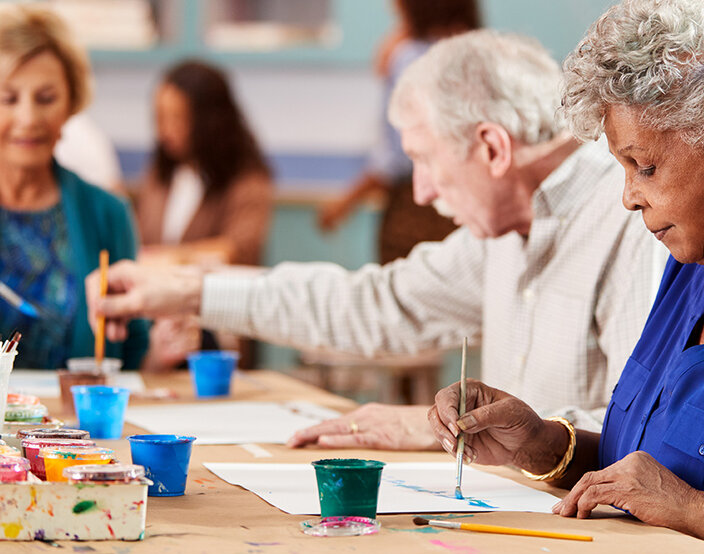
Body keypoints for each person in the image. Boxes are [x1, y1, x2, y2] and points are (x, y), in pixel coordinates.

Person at [86, 30, 662, 449]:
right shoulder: (504, 233)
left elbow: (641, 431)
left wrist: (439, 427)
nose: (422, 191)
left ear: (492, 148)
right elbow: (374, 304)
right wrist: (190, 292)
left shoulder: (632, 221)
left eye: (423, 159)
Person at [428, 0, 704, 554]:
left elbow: (677, 496)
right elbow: (646, 469)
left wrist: (695, 512)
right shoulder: (691, 264)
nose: (628, 197)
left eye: (644, 167)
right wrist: (540, 443)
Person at [0, 0, 147, 369]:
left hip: (76, 409)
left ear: (70, 105)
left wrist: (165, 351)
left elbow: (133, 354)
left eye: (46, 98)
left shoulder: (107, 214)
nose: (28, 118)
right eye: (8, 98)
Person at [317, 0, 480, 263]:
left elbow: (396, 159)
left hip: (413, 215)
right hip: (470, 211)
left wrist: (346, 201)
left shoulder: (407, 59)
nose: (392, 2)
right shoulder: (479, 53)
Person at [134, 60, 273, 370]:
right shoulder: (160, 174)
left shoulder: (247, 178)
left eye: (177, 118)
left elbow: (235, 249)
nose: (165, 130)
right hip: (159, 328)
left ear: (208, 120)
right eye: (160, 117)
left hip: (216, 334)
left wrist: (165, 259)